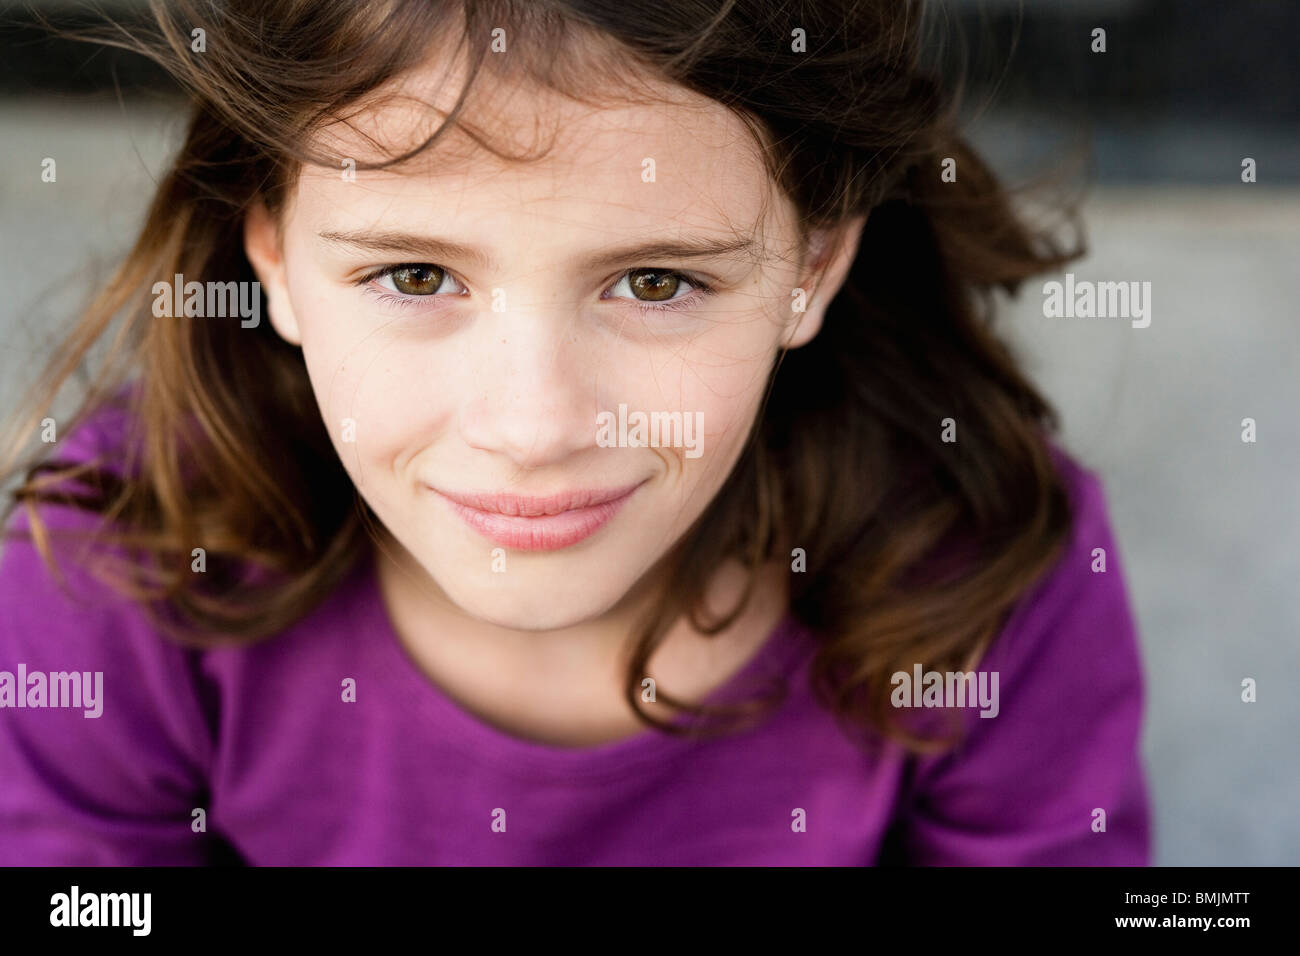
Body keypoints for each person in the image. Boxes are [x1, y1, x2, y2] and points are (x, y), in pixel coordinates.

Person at [0, 0, 1150, 865]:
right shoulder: (116, 561)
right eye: (413, 272)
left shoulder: (983, 563)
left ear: (811, 265)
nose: (532, 425)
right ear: (274, 258)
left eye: (654, 283)